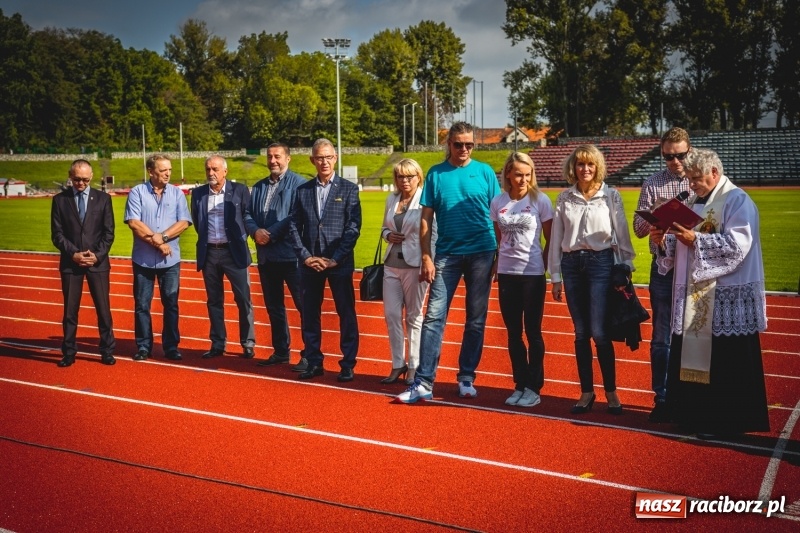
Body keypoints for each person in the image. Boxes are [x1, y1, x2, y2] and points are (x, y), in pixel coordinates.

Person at [654, 148, 769, 437]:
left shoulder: (737, 200)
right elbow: (683, 246)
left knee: (725, 358)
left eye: (696, 178)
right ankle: (693, 416)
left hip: (724, 292)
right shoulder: (694, 201)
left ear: (714, 173)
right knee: (692, 351)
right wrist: (664, 241)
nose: (691, 185)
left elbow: (737, 246)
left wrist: (696, 240)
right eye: (689, 179)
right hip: (695, 293)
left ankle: (726, 421)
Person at [397, 122, 500, 403]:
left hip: (482, 252)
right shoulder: (435, 174)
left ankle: (466, 376)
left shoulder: (486, 172)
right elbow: (425, 219)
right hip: (447, 255)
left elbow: (499, 216)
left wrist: (499, 255)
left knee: (476, 320)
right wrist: (427, 256)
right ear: (449, 144)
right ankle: (424, 381)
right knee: (433, 318)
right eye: (458, 144)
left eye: (469, 144)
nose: (464, 149)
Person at [548, 144, 635, 415]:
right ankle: (586, 392)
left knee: (599, 332)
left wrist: (626, 267)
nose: (585, 169)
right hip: (572, 265)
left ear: (598, 167)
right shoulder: (564, 198)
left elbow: (621, 236)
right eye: (580, 164)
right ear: (572, 168)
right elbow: (555, 240)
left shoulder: (611, 196)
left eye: (590, 164)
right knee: (581, 333)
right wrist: (555, 276)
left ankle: (611, 392)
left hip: (601, 264)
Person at [288, 138, 361, 382]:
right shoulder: (302, 191)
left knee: (346, 313)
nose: (324, 161)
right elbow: (293, 227)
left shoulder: (349, 189)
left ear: (336, 158)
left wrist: (334, 259)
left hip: (338, 264)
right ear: (312, 160)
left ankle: (348, 363)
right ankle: (314, 361)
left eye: (328, 157)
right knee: (310, 314)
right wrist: (306, 257)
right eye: (320, 157)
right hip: (310, 265)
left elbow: (353, 229)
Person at [633, 127, 691, 422]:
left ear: (689, 151)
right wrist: (653, 222)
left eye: (680, 155)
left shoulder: (700, 180)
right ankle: (662, 396)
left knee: (696, 332)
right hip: (664, 267)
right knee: (661, 335)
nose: (674, 161)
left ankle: (694, 395)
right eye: (668, 156)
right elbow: (638, 228)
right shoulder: (653, 182)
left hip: (696, 269)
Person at [491, 152, 553, 407]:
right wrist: (497, 266)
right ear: (508, 174)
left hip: (532, 275)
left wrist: (545, 267)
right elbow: (499, 239)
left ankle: (534, 387)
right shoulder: (497, 202)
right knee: (513, 333)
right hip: (507, 274)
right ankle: (519, 383)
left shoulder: (541, 200)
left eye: (527, 174)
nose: (523, 179)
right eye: (518, 174)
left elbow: (551, 239)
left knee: (533, 331)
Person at [245, 143, 308, 371]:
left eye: (277, 156)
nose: (273, 160)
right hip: (267, 258)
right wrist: (255, 231)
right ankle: (281, 351)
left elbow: (294, 216)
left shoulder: (299, 184)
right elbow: (247, 213)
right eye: (270, 156)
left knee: (304, 307)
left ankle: (309, 354)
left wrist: (269, 233)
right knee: (274, 307)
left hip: (292, 258)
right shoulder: (259, 186)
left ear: (288, 159)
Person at [124, 154, 191, 361]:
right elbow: (134, 223)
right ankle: (144, 346)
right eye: (163, 170)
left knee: (171, 304)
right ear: (151, 172)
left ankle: (171, 346)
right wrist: (159, 243)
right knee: (142, 305)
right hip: (143, 260)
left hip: (170, 261)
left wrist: (163, 238)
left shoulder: (177, 194)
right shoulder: (137, 192)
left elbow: (184, 222)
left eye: (169, 169)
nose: (168, 173)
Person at [50, 159, 116, 367]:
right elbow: (57, 235)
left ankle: (106, 350)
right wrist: (74, 254)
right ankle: (69, 352)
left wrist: (96, 255)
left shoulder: (103, 199)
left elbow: (108, 232)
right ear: (70, 176)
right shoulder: (60, 200)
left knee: (103, 310)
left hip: (98, 263)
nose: (81, 183)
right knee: (70, 311)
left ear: (91, 177)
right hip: (71, 264)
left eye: (85, 180)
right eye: (77, 179)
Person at [191, 155, 256, 359]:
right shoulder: (198, 194)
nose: (211, 173)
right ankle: (218, 343)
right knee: (214, 301)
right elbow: (197, 220)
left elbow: (248, 218)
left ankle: (248, 343)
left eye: (215, 169)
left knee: (243, 299)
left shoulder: (240, 191)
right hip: (209, 252)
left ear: (225, 171)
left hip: (233, 252)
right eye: (208, 169)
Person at [380, 158, 433, 385]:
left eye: (409, 176)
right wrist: (387, 235)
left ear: (418, 177)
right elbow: (384, 227)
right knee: (392, 315)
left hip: (415, 265)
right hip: (391, 264)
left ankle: (413, 366)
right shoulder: (391, 199)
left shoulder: (425, 200)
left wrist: (427, 259)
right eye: (401, 176)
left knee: (414, 317)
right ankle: (397, 363)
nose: (405, 181)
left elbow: (433, 232)